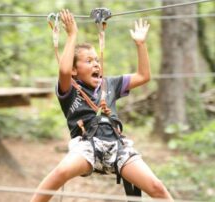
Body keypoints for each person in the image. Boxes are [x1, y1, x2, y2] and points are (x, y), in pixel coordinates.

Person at [30, 9, 173, 202]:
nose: (96, 64)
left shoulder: (109, 84)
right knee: (60, 172)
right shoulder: (69, 89)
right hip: (86, 145)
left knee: (157, 187)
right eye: (88, 61)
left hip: (117, 145)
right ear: (74, 70)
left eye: (97, 60)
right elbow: (63, 69)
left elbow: (143, 76)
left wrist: (141, 44)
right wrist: (72, 34)